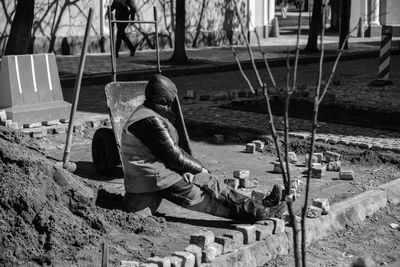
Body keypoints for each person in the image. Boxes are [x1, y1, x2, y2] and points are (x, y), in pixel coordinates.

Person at [120, 74, 286, 223]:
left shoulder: (144, 112)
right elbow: (174, 156)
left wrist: (190, 170)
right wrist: (200, 169)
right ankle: (260, 213)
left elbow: (163, 152)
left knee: (209, 182)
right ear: (163, 100)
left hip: (153, 171)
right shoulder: (151, 121)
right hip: (153, 176)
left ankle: (259, 205)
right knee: (207, 193)